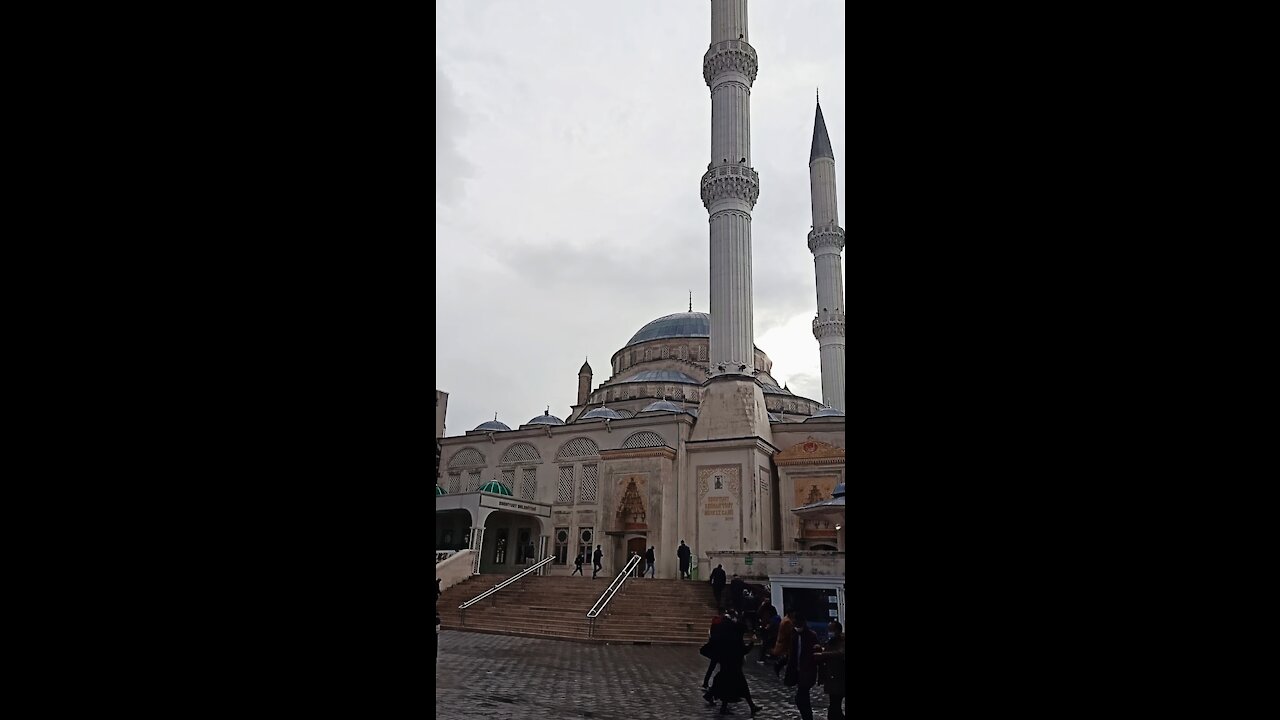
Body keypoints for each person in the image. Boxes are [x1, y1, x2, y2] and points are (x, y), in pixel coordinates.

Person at [704, 610, 761, 716]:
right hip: (734, 665)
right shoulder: (735, 638)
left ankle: (714, 698)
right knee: (739, 686)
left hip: (727, 663)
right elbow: (743, 650)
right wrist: (752, 642)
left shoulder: (726, 634)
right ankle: (751, 706)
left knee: (725, 683)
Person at [787, 611, 819, 720]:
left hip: (808, 670)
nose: (796, 626)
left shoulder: (811, 635)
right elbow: (793, 654)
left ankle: (808, 717)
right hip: (798, 670)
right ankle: (807, 717)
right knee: (803, 697)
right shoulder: (794, 635)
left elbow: (815, 652)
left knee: (801, 696)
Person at [814, 620, 845, 720]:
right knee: (834, 705)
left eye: (831, 630)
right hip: (831, 678)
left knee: (834, 706)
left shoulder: (842, 641)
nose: (829, 632)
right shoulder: (830, 641)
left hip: (840, 678)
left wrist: (823, 654)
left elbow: (840, 653)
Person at [772, 609, 798, 678]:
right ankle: (778, 666)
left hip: (784, 642)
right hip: (785, 643)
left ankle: (779, 666)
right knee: (788, 657)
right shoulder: (787, 621)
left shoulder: (786, 619)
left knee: (787, 657)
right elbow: (789, 632)